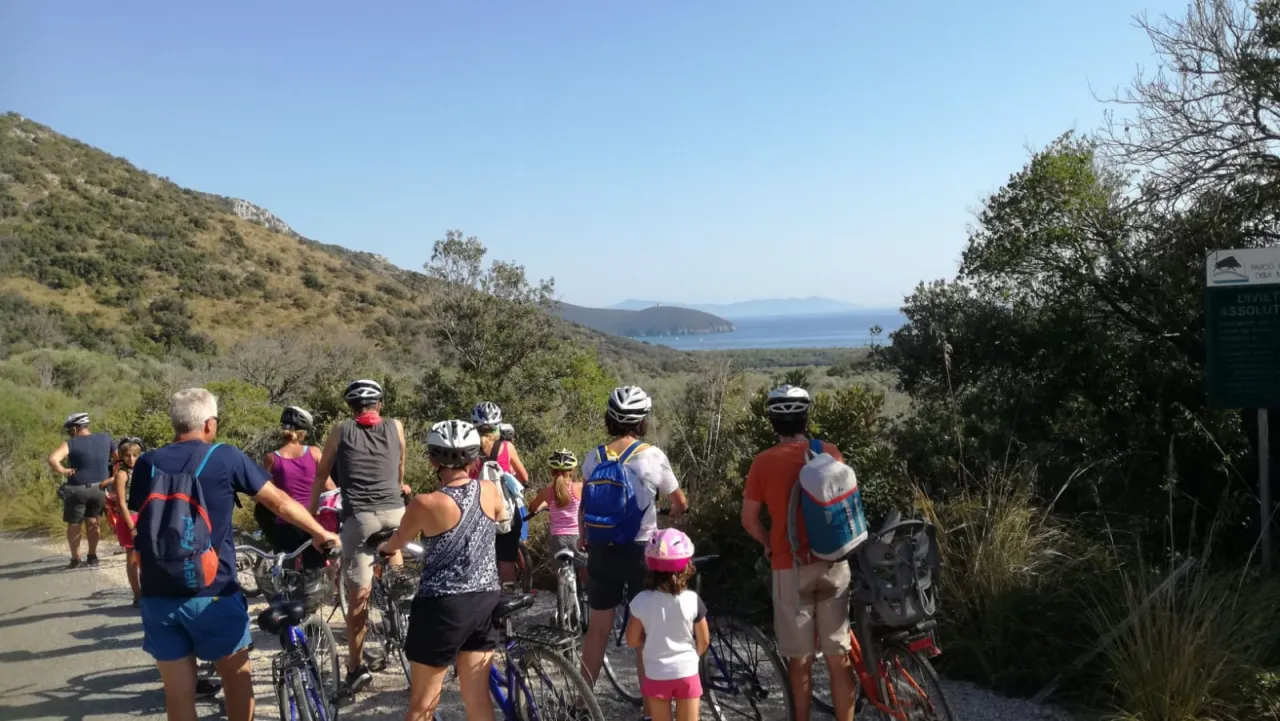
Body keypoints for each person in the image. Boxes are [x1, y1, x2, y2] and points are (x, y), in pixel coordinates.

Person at [129, 388, 338, 721]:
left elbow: (142, 520)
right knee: (237, 682)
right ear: (210, 424)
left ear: (176, 422)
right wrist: (320, 532)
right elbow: (279, 502)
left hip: (158, 592)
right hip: (215, 591)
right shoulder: (224, 456)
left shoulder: (146, 463)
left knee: (179, 696)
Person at [740, 385, 857, 721]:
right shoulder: (831, 452)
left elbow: (749, 520)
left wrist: (768, 542)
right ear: (806, 419)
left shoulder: (763, 463)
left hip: (789, 565)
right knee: (839, 656)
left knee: (800, 659)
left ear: (773, 422)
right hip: (834, 562)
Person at [377, 420, 505, 721]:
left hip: (443, 607)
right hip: (485, 599)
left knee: (423, 705)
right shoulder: (489, 490)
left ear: (433, 459)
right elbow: (499, 517)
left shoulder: (425, 502)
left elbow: (398, 541)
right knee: (477, 698)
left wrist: (384, 550)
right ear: (475, 458)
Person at [580, 385, 689, 719]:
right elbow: (679, 501)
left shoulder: (594, 456)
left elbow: (585, 505)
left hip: (602, 549)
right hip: (643, 551)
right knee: (646, 629)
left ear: (609, 419)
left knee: (598, 628)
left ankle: (580, 703)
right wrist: (672, 514)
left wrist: (585, 537)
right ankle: (648, 709)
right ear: (642, 420)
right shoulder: (652, 456)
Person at [310, 378, 411, 698]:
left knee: (359, 597)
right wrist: (396, 489)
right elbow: (399, 467)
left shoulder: (340, 431)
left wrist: (312, 516)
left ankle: (355, 670)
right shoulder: (396, 426)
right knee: (395, 560)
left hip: (361, 519)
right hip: (396, 512)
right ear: (379, 405)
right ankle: (400, 592)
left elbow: (321, 473)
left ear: (351, 409)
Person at [626, 529, 710, 721]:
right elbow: (704, 641)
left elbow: (631, 640)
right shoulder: (692, 600)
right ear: (686, 565)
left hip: (656, 674)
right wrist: (689, 657)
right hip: (686, 672)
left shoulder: (640, 601)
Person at [255, 406, 334, 568]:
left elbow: (265, 492)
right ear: (303, 432)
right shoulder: (314, 452)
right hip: (311, 521)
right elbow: (330, 487)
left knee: (286, 570)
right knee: (314, 570)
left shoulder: (271, 458)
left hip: (285, 522)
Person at [468, 401, 530, 585]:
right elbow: (524, 476)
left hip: (478, 511)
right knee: (507, 559)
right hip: (505, 512)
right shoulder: (506, 447)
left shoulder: (468, 450)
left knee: (480, 558)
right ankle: (507, 601)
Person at [47, 412, 112, 568]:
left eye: (70, 431)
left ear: (75, 430)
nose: (70, 434)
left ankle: (76, 559)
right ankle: (92, 556)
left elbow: (53, 459)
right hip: (100, 487)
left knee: (74, 524)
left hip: (77, 489)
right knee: (93, 521)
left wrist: (63, 471)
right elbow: (117, 456)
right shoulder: (105, 438)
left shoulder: (71, 443)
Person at [528, 449, 584, 586]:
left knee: (561, 576)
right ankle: (587, 598)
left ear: (551, 471)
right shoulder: (579, 488)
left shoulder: (547, 491)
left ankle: (563, 600)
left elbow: (532, 508)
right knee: (585, 573)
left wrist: (544, 505)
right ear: (572, 470)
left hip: (557, 539)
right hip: (577, 537)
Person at [99, 437, 143, 605]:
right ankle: (137, 595)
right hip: (129, 517)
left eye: (134, 455)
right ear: (122, 457)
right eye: (127, 456)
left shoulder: (141, 470)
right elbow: (121, 503)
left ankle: (146, 591)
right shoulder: (122, 474)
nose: (131, 459)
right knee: (132, 557)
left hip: (142, 515)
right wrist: (132, 526)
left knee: (145, 557)